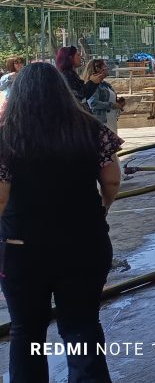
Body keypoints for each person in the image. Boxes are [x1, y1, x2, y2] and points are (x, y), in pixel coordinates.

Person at [0, 62, 122, 382]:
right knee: (81, 325)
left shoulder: (6, 136)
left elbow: (0, 197)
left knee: (26, 331)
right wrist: (103, 209)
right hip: (84, 242)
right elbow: (111, 181)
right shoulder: (91, 129)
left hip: (22, 248)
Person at [84, 59, 125, 134]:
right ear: (98, 69)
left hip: (110, 121)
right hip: (103, 123)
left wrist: (118, 103)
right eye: (105, 66)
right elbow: (93, 103)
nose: (108, 68)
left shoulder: (105, 85)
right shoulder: (94, 85)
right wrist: (112, 105)